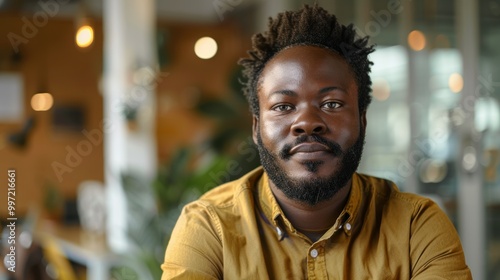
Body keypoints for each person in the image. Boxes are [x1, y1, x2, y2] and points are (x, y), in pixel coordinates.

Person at [161, 4, 472, 279]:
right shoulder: (208, 227)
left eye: (332, 104)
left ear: (362, 121)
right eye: (283, 106)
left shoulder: (416, 227)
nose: (307, 122)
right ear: (256, 128)